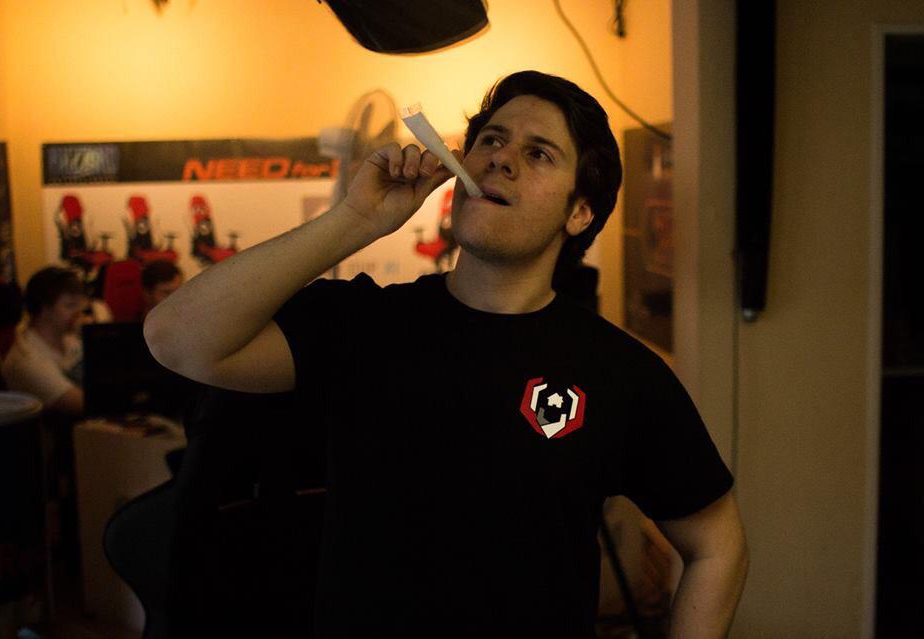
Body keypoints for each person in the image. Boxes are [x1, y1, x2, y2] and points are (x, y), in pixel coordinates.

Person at [145, 71, 749, 638]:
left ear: (580, 212)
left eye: (539, 153)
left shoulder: (620, 372)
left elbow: (717, 545)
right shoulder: (364, 323)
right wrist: (355, 219)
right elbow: (177, 338)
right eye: (491, 140)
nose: (500, 159)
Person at [2, 266, 87, 415]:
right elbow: (83, 402)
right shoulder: (27, 359)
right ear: (43, 308)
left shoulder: (70, 339)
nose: (78, 313)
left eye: (79, 306)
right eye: (69, 306)